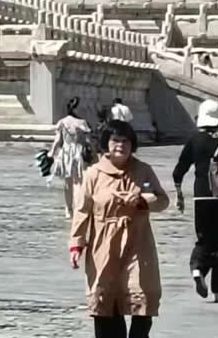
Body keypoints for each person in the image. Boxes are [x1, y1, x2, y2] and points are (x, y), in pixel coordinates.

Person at [70, 119, 167, 337]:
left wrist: (143, 201)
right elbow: (82, 210)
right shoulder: (94, 174)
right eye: (115, 140)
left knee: (141, 297)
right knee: (105, 301)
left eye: (125, 141)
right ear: (106, 143)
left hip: (137, 243)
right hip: (103, 245)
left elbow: (162, 201)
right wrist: (76, 245)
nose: (120, 146)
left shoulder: (143, 171)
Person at [174, 99, 218, 300]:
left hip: (202, 196)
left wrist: (179, 193)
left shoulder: (194, 140)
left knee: (204, 238)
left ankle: (198, 269)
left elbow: (179, 170)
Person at [49, 98, 95, 219]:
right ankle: (78, 206)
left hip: (66, 152)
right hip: (78, 152)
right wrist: (94, 154)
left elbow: (58, 140)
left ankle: (68, 208)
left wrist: (52, 152)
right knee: (78, 181)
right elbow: (88, 141)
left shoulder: (63, 122)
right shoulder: (82, 122)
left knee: (68, 182)